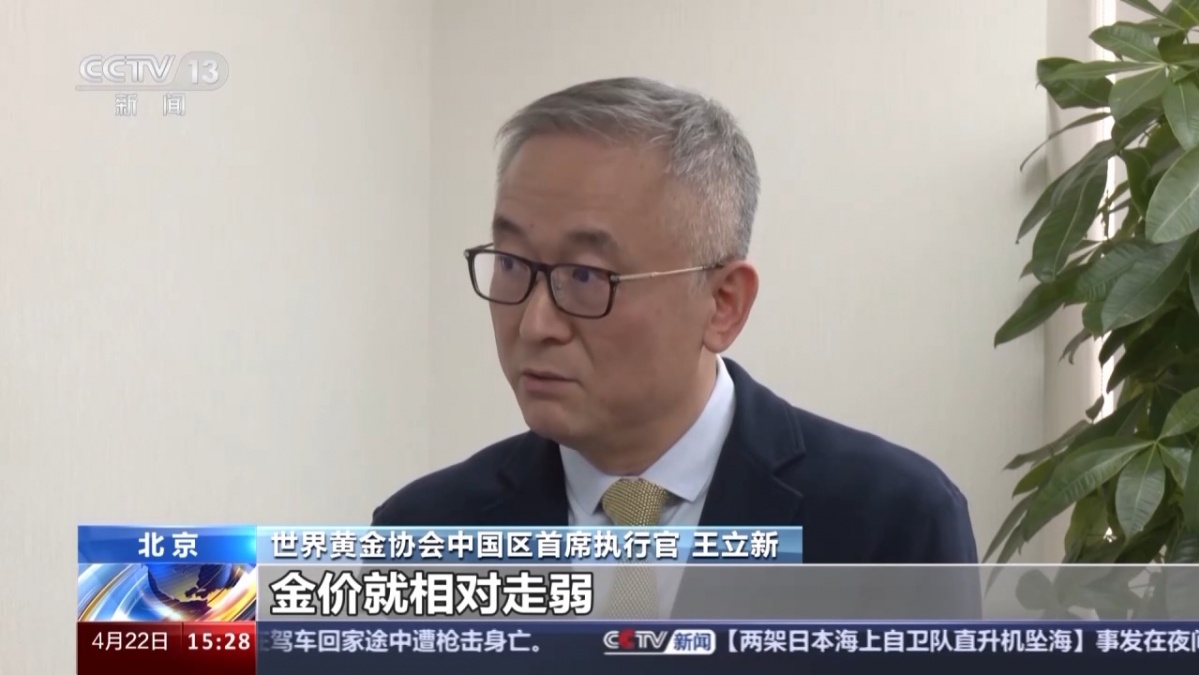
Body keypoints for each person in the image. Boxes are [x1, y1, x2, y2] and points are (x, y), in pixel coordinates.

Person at [373, 77, 977, 576]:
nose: (535, 324)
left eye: (585, 276)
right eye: (511, 264)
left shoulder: (892, 524)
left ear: (723, 303)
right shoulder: (421, 535)